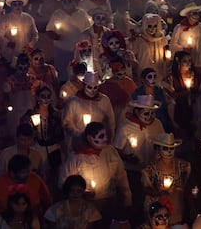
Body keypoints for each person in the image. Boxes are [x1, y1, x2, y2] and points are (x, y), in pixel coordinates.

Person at [58, 122, 132, 228]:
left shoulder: (111, 152)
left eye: (106, 135)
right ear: (89, 138)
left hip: (109, 204)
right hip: (85, 207)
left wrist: (127, 200)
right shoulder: (76, 156)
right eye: (101, 136)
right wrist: (81, 193)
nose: (105, 138)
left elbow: (122, 177)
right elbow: (63, 182)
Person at [114, 94, 165, 226]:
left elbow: (163, 142)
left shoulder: (157, 124)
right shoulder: (125, 127)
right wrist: (127, 157)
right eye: (146, 113)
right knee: (136, 202)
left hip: (152, 172)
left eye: (152, 113)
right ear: (137, 111)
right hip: (133, 172)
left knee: (154, 203)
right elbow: (116, 149)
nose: (149, 117)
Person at [0, 154, 53, 222]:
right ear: (12, 173)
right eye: (23, 172)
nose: (28, 175)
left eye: (29, 171)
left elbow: (47, 201)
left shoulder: (35, 179)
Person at [141, 133, 191, 226]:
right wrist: (159, 193)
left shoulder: (183, 166)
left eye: (171, 148)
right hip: (158, 211)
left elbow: (187, 186)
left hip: (177, 208)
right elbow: (145, 189)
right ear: (159, 149)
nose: (169, 151)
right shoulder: (150, 169)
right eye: (165, 148)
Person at [62, 71, 115, 154]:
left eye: (95, 87)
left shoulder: (104, 100)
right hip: (78, 144)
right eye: (89, 87)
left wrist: (108, 139)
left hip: (99, 143)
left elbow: (111, 121)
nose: (93, 91)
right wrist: (79, 134)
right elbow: (67, 122)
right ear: (84, 86)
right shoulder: (74, 102)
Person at [46, 0, 93, 83]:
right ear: (62, 2)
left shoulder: (81, 14)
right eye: (65, 1)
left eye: (69, 0)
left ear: (73, 0)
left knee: (80, 73)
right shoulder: (57, 14)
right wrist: (55, 36)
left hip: (79, 51)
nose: (67, 2)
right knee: (61, 73)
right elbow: (48, 30)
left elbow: (89, 30)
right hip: (62, 50)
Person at [163, 51, 201, 147]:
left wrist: (193, 94)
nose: (188, 63)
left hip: (192, 106)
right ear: (178, 62)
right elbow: (169, 94)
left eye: (189, 60)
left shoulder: (195, 75)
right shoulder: (171, 77)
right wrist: (183, 93)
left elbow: (199, 90)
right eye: (185, 61)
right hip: (177, 107)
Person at [0, 0, 39, 64]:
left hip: (24, 53)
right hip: (9, 54)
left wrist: (30, 45)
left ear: (22, 5)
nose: (17, 6)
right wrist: (8, 42)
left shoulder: (28, 18)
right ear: (11, 6)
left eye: (19, 4)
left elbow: (35, 34)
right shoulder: (5, 19)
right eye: (15, 4)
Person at [132, 67, 173, 133]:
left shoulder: (159, 91)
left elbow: (164, 106)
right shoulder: (138, 92)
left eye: (154, 76)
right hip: (145, 120)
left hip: (161, 119)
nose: (153, 79)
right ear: (143, 79)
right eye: (150, 77)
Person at [2, 53, 34, 137]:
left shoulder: (32, 79)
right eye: (20, 68)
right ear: (16, 67)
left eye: (25, 68)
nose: (23, 71)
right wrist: (7, 105)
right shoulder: (10, 80)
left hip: (29, 111)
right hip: (15, 112)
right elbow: (5, 96)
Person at [129, 13, 168, 82]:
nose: (152, 29)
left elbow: (166, 56)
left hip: (158, 72)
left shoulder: (162, 39)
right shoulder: (139, 40)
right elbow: (133, 56)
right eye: (149, 26)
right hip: (143, 73)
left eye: (155, 26)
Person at [99, 57, 137, 124]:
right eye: (116, 70)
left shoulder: (129, 82)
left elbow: (135, 97)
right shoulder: (105, 85)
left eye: (122, 70)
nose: (119, 72)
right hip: (112, 115)